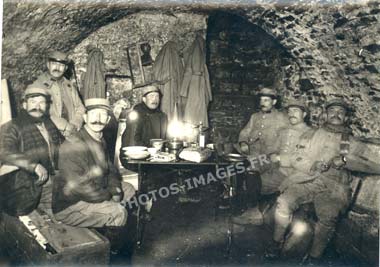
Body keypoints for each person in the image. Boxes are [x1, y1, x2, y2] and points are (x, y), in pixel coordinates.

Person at [271, 98, 362, 262]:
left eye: (341, 112)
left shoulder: (352, 141)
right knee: (283, 201)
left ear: (346, 117)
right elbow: (296, 157)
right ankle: (276, 243)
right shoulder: (311, 134)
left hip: (334, 186)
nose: (336, 115)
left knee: (328, 216)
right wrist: (313, 165)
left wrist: (346, 161)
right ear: (325, 114)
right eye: (332, 111)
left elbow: (367, 164)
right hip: (307, 180)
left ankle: (314, 257)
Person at [52, 98, 135, 228]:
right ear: (85, 117)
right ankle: (111, 242)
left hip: (95, 190)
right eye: (93, 114)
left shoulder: (99, 139)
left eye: (102, 114)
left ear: (108, 120)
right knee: (118, 212)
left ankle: (106, 226)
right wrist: (109, 197)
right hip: (71, 204)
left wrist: (115, 190)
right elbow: (80, 186)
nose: (98, 118)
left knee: (128, 189)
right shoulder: (73, 144)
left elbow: (111, 170)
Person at [0, 86, 63, 216]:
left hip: (52, 179)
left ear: (47, 106)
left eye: (41, 102)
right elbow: (4, 150)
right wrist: (34, 166)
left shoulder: (49, 124)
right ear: (24, 104)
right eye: (33, 102)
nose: (37, 106)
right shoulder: (13, 126)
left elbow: (63, 148)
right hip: (24, 186)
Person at [233, 88, 288, 225]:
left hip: (269, 157)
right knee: (231, 164)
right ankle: (234, 199)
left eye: (266, 100)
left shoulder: (281, 118)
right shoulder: (255, 117)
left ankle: (254, 212)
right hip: (252, 154)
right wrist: (244, 142)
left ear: (274, 102)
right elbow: (245, 132)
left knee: (251, 169)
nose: (262, 103)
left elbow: (286, 140)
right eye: (261, 100)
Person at [31, 50, 85, 137]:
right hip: (49, 133)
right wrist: (65, 126)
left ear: (66, 68)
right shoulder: (38, 85)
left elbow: (80, 107)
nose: (57, 68)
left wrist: (76, 123)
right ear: (48, 65)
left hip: (72, 131)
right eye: (54, 64)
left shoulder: (69, 85)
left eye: (61, 65)